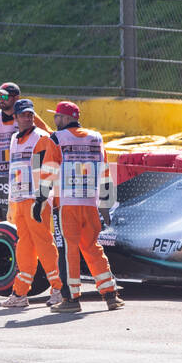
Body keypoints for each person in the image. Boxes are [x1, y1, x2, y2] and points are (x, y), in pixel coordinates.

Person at [47, 101, 124, 313]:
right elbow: (105, 171)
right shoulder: (96, 138)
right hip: (90, 204)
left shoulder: (56, 138)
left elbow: (48, 171)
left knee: (70, 250)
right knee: (92, 248)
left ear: (63, 118)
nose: (55, 120)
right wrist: (106, 205)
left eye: (56, 117)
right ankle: (110, 295)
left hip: (67, 204)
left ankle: (71, 300)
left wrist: (40, 199)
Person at [1, 99, 64, 309]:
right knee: (24, 246)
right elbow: (13, 171)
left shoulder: (40, 138)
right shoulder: (14, 140)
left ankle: (58, 288)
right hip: (20, 200)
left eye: (30, 114)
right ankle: (20, 293)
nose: (27, 118)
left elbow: (47, 170)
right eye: (23, 115)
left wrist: (41, 199)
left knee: (44, 243)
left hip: (36, 200)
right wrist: (11, 202)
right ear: (16, 117)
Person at [0, 81, 50, 221]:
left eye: (5, 97)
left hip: (23, 181)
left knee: (24, 223)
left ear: (16, 98)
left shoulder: (29, 116)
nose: (1, 100)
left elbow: (48, 138)